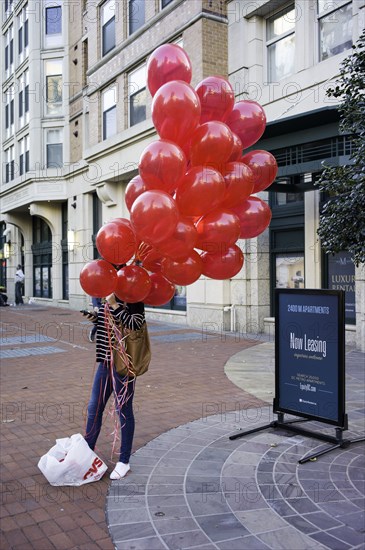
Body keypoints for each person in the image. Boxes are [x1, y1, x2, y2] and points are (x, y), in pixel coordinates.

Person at [84, 293, 145, 479]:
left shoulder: (133, 293)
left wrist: (114, 305)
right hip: (105, 361)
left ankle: (124, 461)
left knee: (123, 408)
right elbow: (109, 327)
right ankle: (87, 453)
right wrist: (96, 318)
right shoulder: (108, 292)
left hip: (124, 363)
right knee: (94, 407)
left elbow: (136, 324)